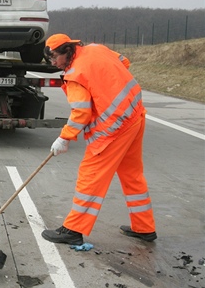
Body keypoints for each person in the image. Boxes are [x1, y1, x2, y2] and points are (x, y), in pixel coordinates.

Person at [40, 33, 157, 245]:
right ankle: (144, 227)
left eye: (54, 57)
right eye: (49, 59)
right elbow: (124, 62)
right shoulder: (97, 49)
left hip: (113, 128)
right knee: (132, 174)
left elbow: (81, 113)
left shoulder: (75, 75)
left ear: (68, 51)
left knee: (90, 175)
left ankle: (73, 229)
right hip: (134, 114)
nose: (53, 63)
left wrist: (64, 138)